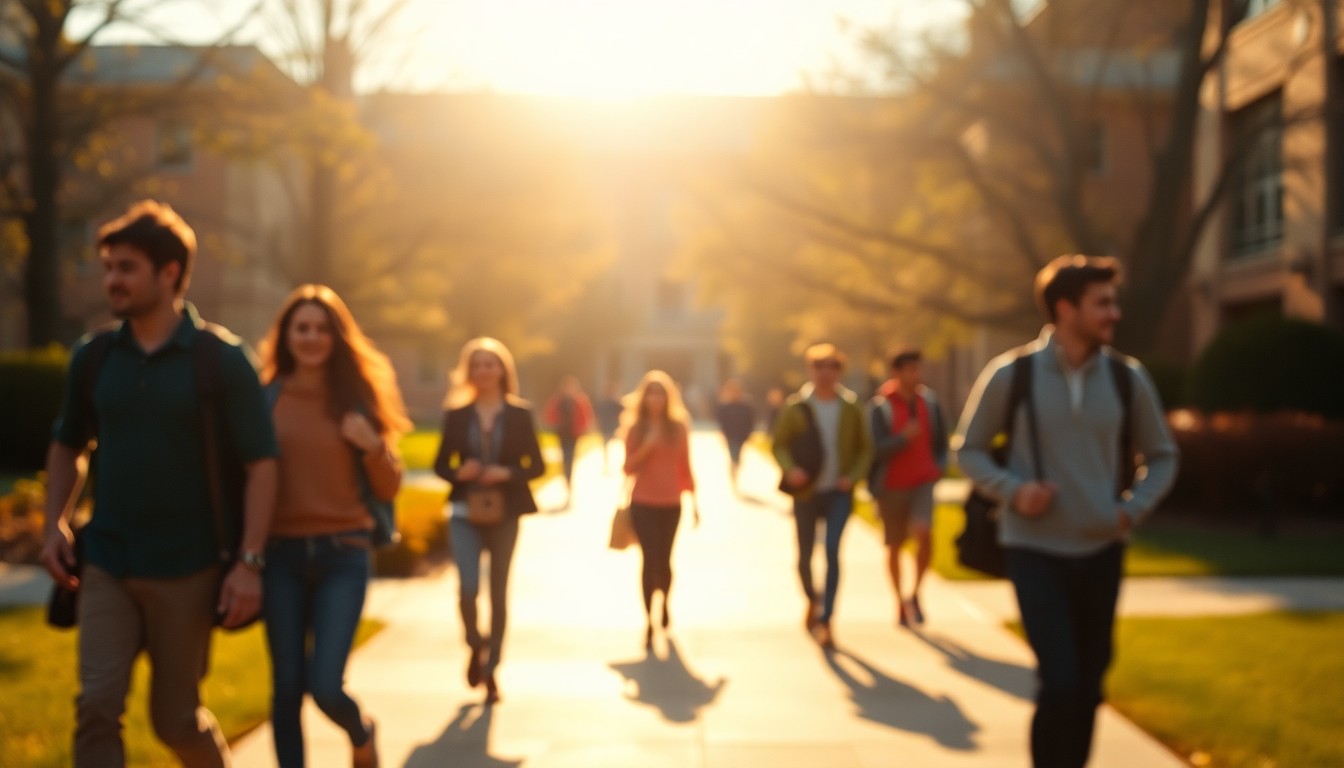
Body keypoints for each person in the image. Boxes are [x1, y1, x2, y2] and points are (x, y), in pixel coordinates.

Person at [40, 200, 278, 767]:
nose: (112, 281)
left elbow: (263, 464)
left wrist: (248, 562)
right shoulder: (95, 357)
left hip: (189, 569)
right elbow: (68, 443)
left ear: (169, 273)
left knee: (175, 720)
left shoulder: (221, 360)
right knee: (96, 705)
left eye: (126, 268)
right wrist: (54, 523)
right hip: (107, 563)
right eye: (109, 268)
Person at [955, 255, 1178, 768]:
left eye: (1112, 302)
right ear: (1065, 308)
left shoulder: (1128, 379)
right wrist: (1013, 489)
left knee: (1090, 682)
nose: (1114, 314)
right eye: (1102, 303)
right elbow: (968, 449)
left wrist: (1131, 510)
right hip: (1034, 549)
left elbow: (1162, 456)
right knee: (1059, 678)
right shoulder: (1012, 374)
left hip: (1103, 548)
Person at [257, 285, 410, 768]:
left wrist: (371, 447)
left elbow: (388, 489)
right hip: (279, 557)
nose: (311, 337)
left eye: (322, 329)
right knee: (285, 688)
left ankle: (361, 732)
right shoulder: (265, 401)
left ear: (336, 337)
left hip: (343, 553)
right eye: (302, 328)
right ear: (287, 336)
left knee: (324, 684)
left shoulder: (356, 401)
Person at [433, 337, 545, 703]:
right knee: (468, 589)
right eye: (477, 365)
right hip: (465, 511)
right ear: (469, 372)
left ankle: (492, 668)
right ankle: (475, 645)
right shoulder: (457, 415)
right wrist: (459, 472)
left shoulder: (519, 414)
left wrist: (506, 473)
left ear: (502, 370)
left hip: (506, 511)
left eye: (490, 364)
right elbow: (440, 464)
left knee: (498, 591)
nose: (483, 371)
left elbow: (537, 464)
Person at [772, 343, 872, 649]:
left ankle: (827, 618)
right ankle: (812, 600)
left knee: (831, 551)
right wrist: (791, 469)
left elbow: (865, 449)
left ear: (839, 370)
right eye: (818, 366)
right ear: (810, 370)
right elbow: (779, 444)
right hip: (806, 492)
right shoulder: (797, 406)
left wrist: (852, 477)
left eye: (831, 366)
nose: (825, 372)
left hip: (838, 492)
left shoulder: (851, 406)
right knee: (803, 556)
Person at [868, 349, 949, 628]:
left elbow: (941, 440)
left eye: (918, 369)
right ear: (896, 373)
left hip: (923, 480)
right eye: (910, 370)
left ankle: (915, 594)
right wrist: (903, 439)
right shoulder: (881, 407)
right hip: (891, 486)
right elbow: (874, 450)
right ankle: (899, 601)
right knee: (895, 546)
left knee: (923, 532)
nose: (916, 375)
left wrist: (939, 466)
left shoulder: (929, 402)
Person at [621, 370, 699, 649]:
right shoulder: (636, 427)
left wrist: (695, 501)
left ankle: (664, 601)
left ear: (668, 397)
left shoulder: (678, 427)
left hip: (671, 502)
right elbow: (627, 467)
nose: (655, 398)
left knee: (665, 560)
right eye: (651, 392)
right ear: (644, 397)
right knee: (648, 559)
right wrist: (646, 447)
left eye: (660, 393)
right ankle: (648, 621)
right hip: (643, 501)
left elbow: (685, 465)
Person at [542, 375, 595, 507]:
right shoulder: (559, 400)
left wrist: (585, 428)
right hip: (562, 433)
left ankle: (569, 479)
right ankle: (567, 479)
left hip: (574, 434)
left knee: (570, 457)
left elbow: (585, 415)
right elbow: (550, 413)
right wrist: (552, 424)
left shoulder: (579, 400)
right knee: (565, 457)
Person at [715, 378, 756, 492]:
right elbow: (721, 423)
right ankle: (733, 478)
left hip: (741, 436)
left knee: (738, 458)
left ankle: (735, 475)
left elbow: (750, 421)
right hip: (730, 436)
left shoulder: (745, 406)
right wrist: (722, 435)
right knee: (733, 457)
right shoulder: (724, 406)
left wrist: (750, 434)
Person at [594, 381, 624, 474]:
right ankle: (608, 464)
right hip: (607, 427)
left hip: (612, 428)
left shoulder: (610, 402)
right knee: (609, 447)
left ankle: (611, 464)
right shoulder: (605, 403)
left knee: (612, 447)